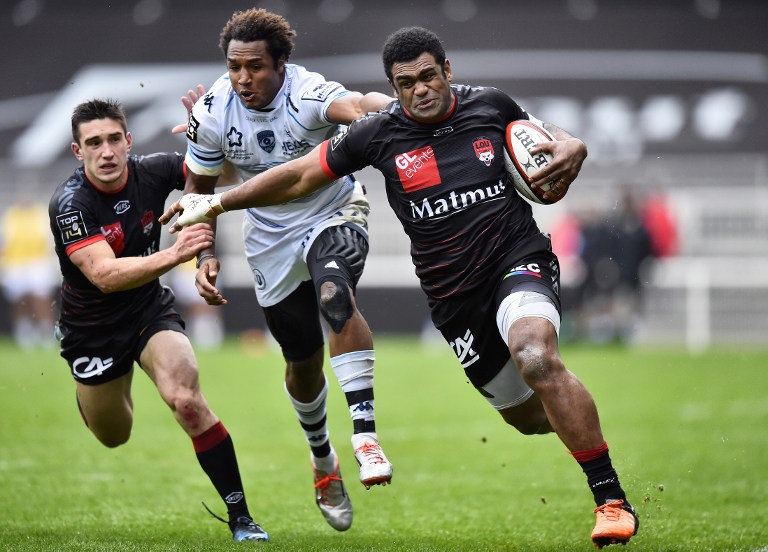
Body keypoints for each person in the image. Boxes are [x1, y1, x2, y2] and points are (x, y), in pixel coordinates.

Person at [161, 26, 641, 549]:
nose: (421, 89)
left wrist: (575, 144)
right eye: (406, 82)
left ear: (447, 71)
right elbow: (299, 176)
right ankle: (577, 419)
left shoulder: (490, 105)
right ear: (394, 87)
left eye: (429, 76)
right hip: (453, 297)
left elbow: (547, 136)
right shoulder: (378, 133)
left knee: (536, 356)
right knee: (528, 417)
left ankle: (610, 499)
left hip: (515, 259)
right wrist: (214, 204)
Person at [178, 8, 395, 531]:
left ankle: (365, 436)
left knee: (334, 294)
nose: (243, 78)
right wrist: (206, 256)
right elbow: (197, 193)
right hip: (267, 240)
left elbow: (359, 105)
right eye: (234, 67)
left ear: (281, 64)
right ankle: (324, 461)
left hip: (332, 212)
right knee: (301, 361)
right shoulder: (212, 111)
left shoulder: (308, 92)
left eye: (255, 67)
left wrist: (396, 107)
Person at [48, 99, 268, 543]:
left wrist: (207, 136)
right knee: (115, 436)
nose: (106, 151)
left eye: (114, 139)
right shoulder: (70, 205)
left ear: (128, 141)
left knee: (187, 401)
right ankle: (91, 391)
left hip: (148, 310)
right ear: (78, 151)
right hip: (92, 329)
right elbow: (106, 277)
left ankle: (242, 518)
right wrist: (177, 253)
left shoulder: (155, 170)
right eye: (94, 143)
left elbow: (223, 176)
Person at [0, 199, 56, 349]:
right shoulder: (10, 216)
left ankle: (46, 332)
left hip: (37, 262)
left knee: (40, 298)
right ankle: (24, 333)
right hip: (15, 264)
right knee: (19, 300)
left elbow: (49, 241)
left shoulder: (40, 214)